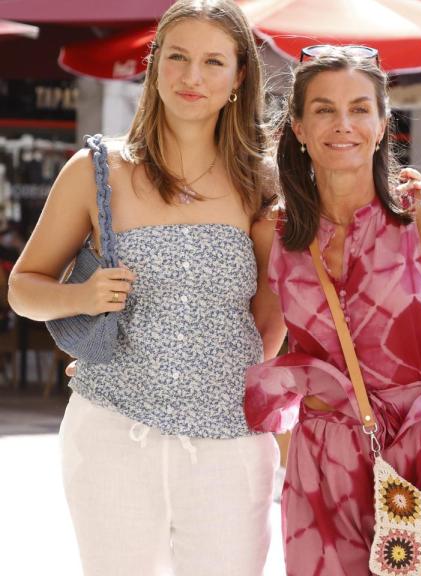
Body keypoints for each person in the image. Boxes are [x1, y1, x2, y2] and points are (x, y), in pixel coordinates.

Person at [8, 1, 278, 574]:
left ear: (238, 78)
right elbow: (22, 288)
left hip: (230, 445)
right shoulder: (96, 170)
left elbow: (272, 318)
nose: (192, 76)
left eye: (212, 62)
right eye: (177, 56)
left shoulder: (262, 181)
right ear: (154, 65)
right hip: (110, 433)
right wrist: (79, 298)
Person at [243, 45, 421, 576]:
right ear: (297, 126)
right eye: (323, 110)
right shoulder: (275, 232)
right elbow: (252, 346)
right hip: (323, 467)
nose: (344, 125)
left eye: (360, 109)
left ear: (383, 124)